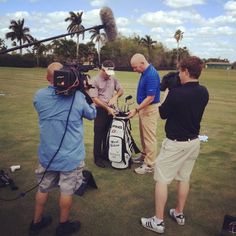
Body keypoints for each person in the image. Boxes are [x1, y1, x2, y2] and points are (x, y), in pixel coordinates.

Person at [140, 56, 209, 234]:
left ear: (186, 71)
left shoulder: (176, 93)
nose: (179, 74)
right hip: (193, 143)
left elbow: (162, 113)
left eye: (180, 71)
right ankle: (179, 212)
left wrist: (167, 93)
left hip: (175, 144)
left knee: (161, 180)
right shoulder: (204, 92)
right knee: (183, 177)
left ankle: (158, 221)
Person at [29, 62, 96, 236]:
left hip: (47, 156)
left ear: (47, 78)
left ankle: (36, 223)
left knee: (42, 188)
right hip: (70, 158)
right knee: (66, 190)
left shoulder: (39, 96)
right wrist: (85, 91)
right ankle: (63, 225)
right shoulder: (78, 98)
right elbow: (92, 114)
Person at [128, 53, 160, 174]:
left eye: (135, 67)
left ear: (142, 62)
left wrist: (136, 109)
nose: (134, 70)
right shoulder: (144, 72)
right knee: (143, 135)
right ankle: (144, 155)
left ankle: (150, 164)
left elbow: (150, 97)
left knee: (149, 137)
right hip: (144, 108)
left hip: (150, 109)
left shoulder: (151, 74)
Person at [90, 60, 124, 168]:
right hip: (100, 110)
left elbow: (121, 90)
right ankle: (97, 158)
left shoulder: (112, 78)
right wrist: (107, 108)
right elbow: (94, 98)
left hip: (111, 110)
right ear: (102, 70)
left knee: (108, 133)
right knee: (99, 134)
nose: (109, 76)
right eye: (107, 73)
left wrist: (115, 97)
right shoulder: (94, 80)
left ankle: (105, 154)